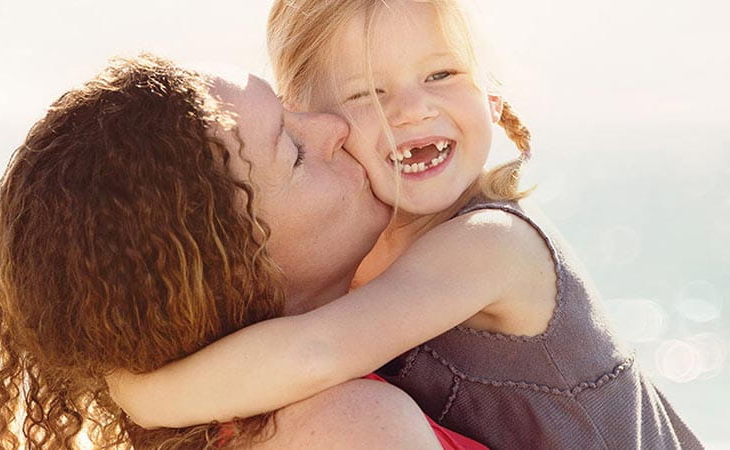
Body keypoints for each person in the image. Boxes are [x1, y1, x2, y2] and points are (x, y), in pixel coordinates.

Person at [106, 1, 703, 449]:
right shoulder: (361, 259)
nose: (412, 109)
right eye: (367, 92)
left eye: (441, 75)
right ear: (320, 123)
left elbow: (314, 351)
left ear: (490, 93)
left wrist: (145, 395)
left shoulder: (492, 245)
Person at [0, 54, 485, 449]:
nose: (335, 126)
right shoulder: (345, 427)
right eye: (292, 151)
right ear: (241, 267)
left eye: (292, 109)